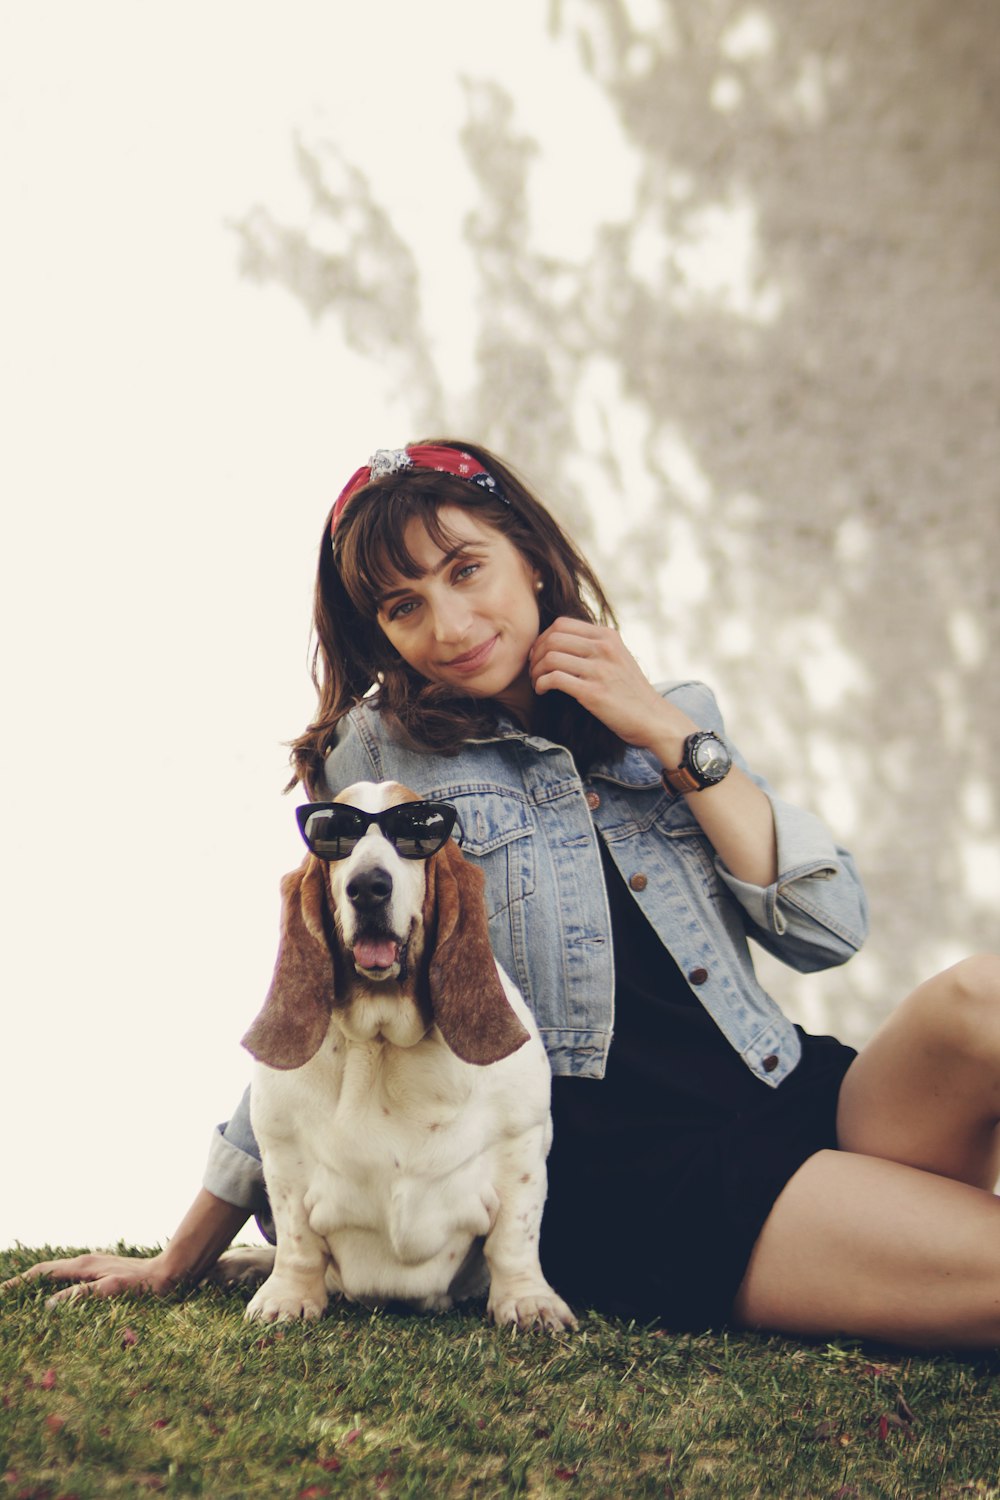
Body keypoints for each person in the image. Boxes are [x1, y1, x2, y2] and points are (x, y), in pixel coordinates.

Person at [10, 440, 1000, 1346]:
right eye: (402, 607)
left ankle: (883, 1235)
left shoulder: (667, 717)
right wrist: (181, 1254)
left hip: (778, 1087)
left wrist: (662, 732)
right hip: (630, 1172)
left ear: (528, 553)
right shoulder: (381, 762)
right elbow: (319, 1011)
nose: (447, 626)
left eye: (464, 570)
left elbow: (829, 929)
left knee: (979, 1000)